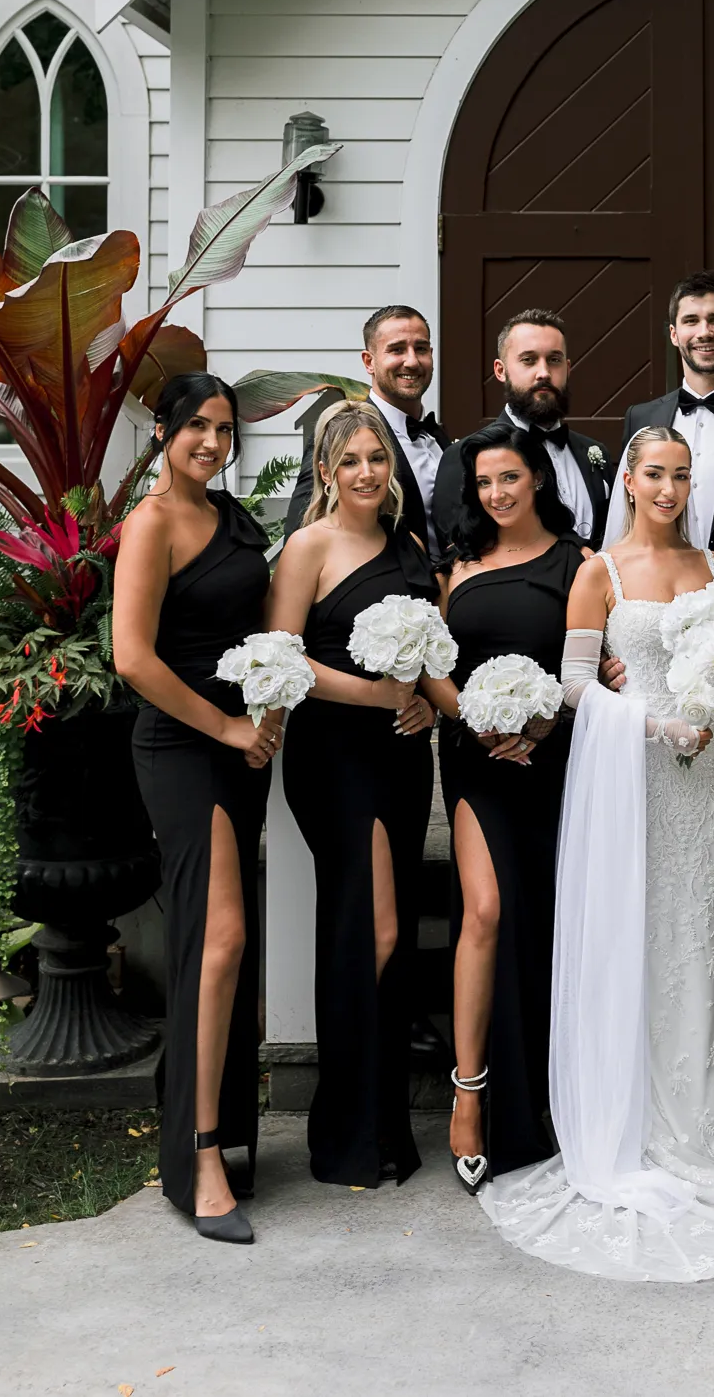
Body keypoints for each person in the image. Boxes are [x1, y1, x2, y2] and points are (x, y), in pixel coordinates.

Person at [476, 426, 714, 1281]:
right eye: (654, 475)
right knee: (632, 937)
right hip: (632, 776)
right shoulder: (598, 572)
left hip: (711, 780)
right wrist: (652, 722)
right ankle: (630, 1123)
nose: (668, 489)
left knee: (700, 936)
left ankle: (699, 1132)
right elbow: (573, 685)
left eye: (681, 475)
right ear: (630, 482)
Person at [115, 373, 279, 1245]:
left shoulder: (231, 517)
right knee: (219, 941)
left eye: (223, 429)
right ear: (164, 431)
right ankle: (198, 1157)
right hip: (182, 747)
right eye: (196, 428)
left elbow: (260, 634)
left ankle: (224, 1133)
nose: (212, 443)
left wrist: (270, 708)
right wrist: (225, 727)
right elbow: (132, 658)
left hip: (241, 748)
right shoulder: (151, 524)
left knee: (222, 946)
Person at [267, 402, 439, 1187]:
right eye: (351, 461)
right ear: (325, 472)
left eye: (377, 458)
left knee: (385, 935)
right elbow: (281, 658)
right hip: (335, 756)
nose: (367, 472)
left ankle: (382, 1126)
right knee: (368, 929)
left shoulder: (409, 545)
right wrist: (374, 695)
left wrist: (424, 701)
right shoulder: (308, 546)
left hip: (401, 755)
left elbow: (431, 655)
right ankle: (345, 1132)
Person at [424, 421, 585, 1194]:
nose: (496, 493)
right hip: (475, 759)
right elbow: (431, 666)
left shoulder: (577, 563)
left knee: (547, 923)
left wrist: (544, 720)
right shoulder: (457, 566)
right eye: (483, 482)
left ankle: (549, 1099)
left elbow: (592, 666)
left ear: (538, 479)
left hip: (552, 762)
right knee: (483, 912)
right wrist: (475, 718)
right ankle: (469, 1095)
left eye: (509, 478)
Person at [603, 272, 714, 548]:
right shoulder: (641, 417)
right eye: (691, 321)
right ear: (674, 334)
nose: (704, 332)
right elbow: (628, 509)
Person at [433, 310, 610, 552]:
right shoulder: (465, 455)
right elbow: (458, 551)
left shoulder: (594, 452)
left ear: (568, 368)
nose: (544, 372)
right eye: (528, 360)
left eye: (554, 360)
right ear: (500, 370)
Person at [285, 304, 449, 563]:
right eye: (397, 350)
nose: (412, 361)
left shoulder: (438, 437)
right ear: (369, 362)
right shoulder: (342, 432)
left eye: (420, 349)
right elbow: (302, 529)